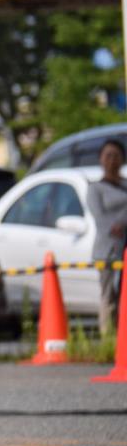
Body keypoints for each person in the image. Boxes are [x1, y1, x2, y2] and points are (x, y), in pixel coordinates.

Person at [87, 139, 127, 335]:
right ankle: (108, 337)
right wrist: (118, 225)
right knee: (108, 294)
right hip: (108, 249)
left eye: (116, 155)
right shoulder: (95, 188)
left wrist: (122, 222)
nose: (112, 160)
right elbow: (100, 218)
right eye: (108, 155)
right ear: (101, 159)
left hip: (125, 247)